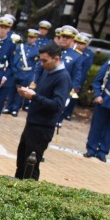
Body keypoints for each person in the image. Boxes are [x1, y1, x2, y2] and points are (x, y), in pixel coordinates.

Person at [14, 42, 71, 180]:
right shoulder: (48, 72)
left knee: (31, 167)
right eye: (40, 60)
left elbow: (58, 105)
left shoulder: (62, 77)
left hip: (42, 128)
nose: (41, 63)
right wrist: (29, 94)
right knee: (22, 163)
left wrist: (34, 96)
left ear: (56, 59)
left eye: (45, 60)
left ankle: (28, 197)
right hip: (32, 124)